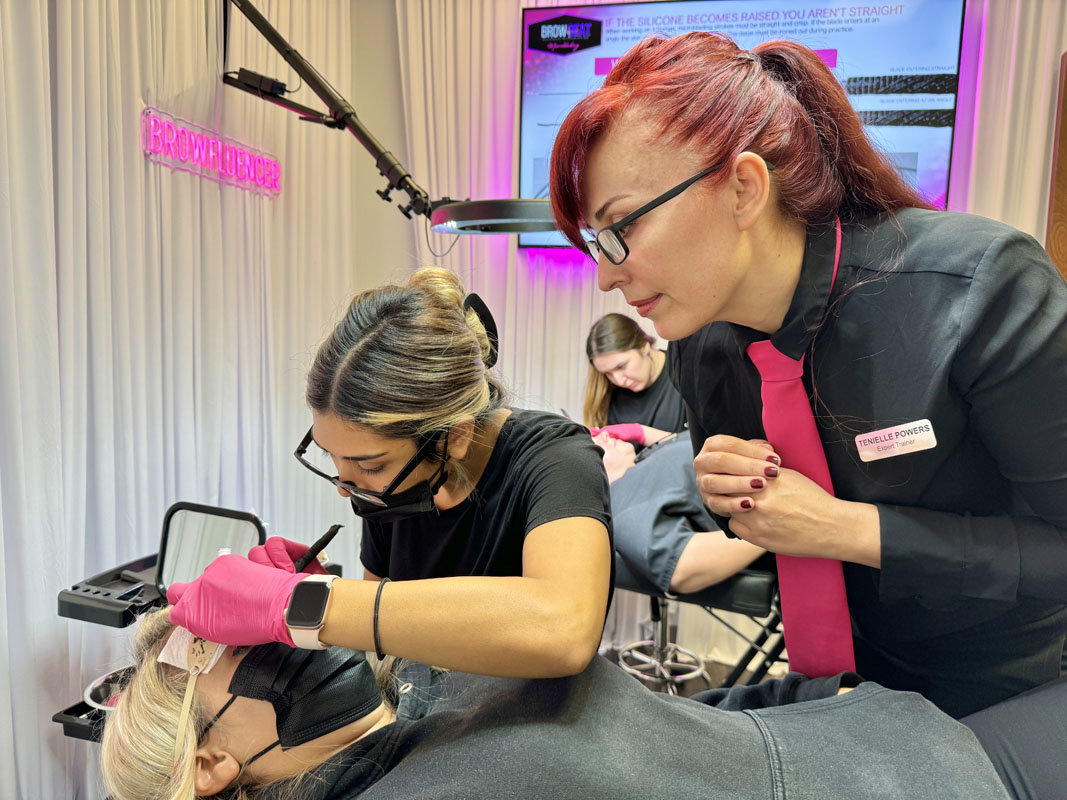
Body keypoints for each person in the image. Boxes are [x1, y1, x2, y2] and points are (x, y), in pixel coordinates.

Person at [548, 30, 1067, 717]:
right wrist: (729, 498)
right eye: (592, 244)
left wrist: (845, 528)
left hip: (1014, 687)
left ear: (742, 188)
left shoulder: (974, 288)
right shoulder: (702, 347)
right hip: (844, 687)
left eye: (619, 230)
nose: (607, 276)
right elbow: (765, 528)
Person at [166, 267, 613, 679]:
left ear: (454, 436)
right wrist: (318, 591)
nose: (347, 487)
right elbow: (387, 642)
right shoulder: (388, 492)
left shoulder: (556, 458)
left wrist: (305, 603)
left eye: (370, 464)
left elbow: (564, 630)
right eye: (332, 459)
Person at [99, 608, 1015, 800]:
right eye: (248, 660)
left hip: (873, 730)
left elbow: (650, 733)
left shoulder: (414, 691)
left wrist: (790, 693)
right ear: (212, 763)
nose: (285, 645)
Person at [597, 429, 763, 595]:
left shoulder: (642, 462)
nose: (603, 434)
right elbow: (681, 568)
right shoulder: (623, 507)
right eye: (592, 439)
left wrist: (641, 431)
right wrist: (768, 528)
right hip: (773, 492)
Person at [583, 313, 687, 446]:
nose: (619, 381)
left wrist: (641, 433)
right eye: (608, 374)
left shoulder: (685, 375)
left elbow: (702, 449)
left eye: (621, 366)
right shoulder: (612, 393)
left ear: (644, 346)